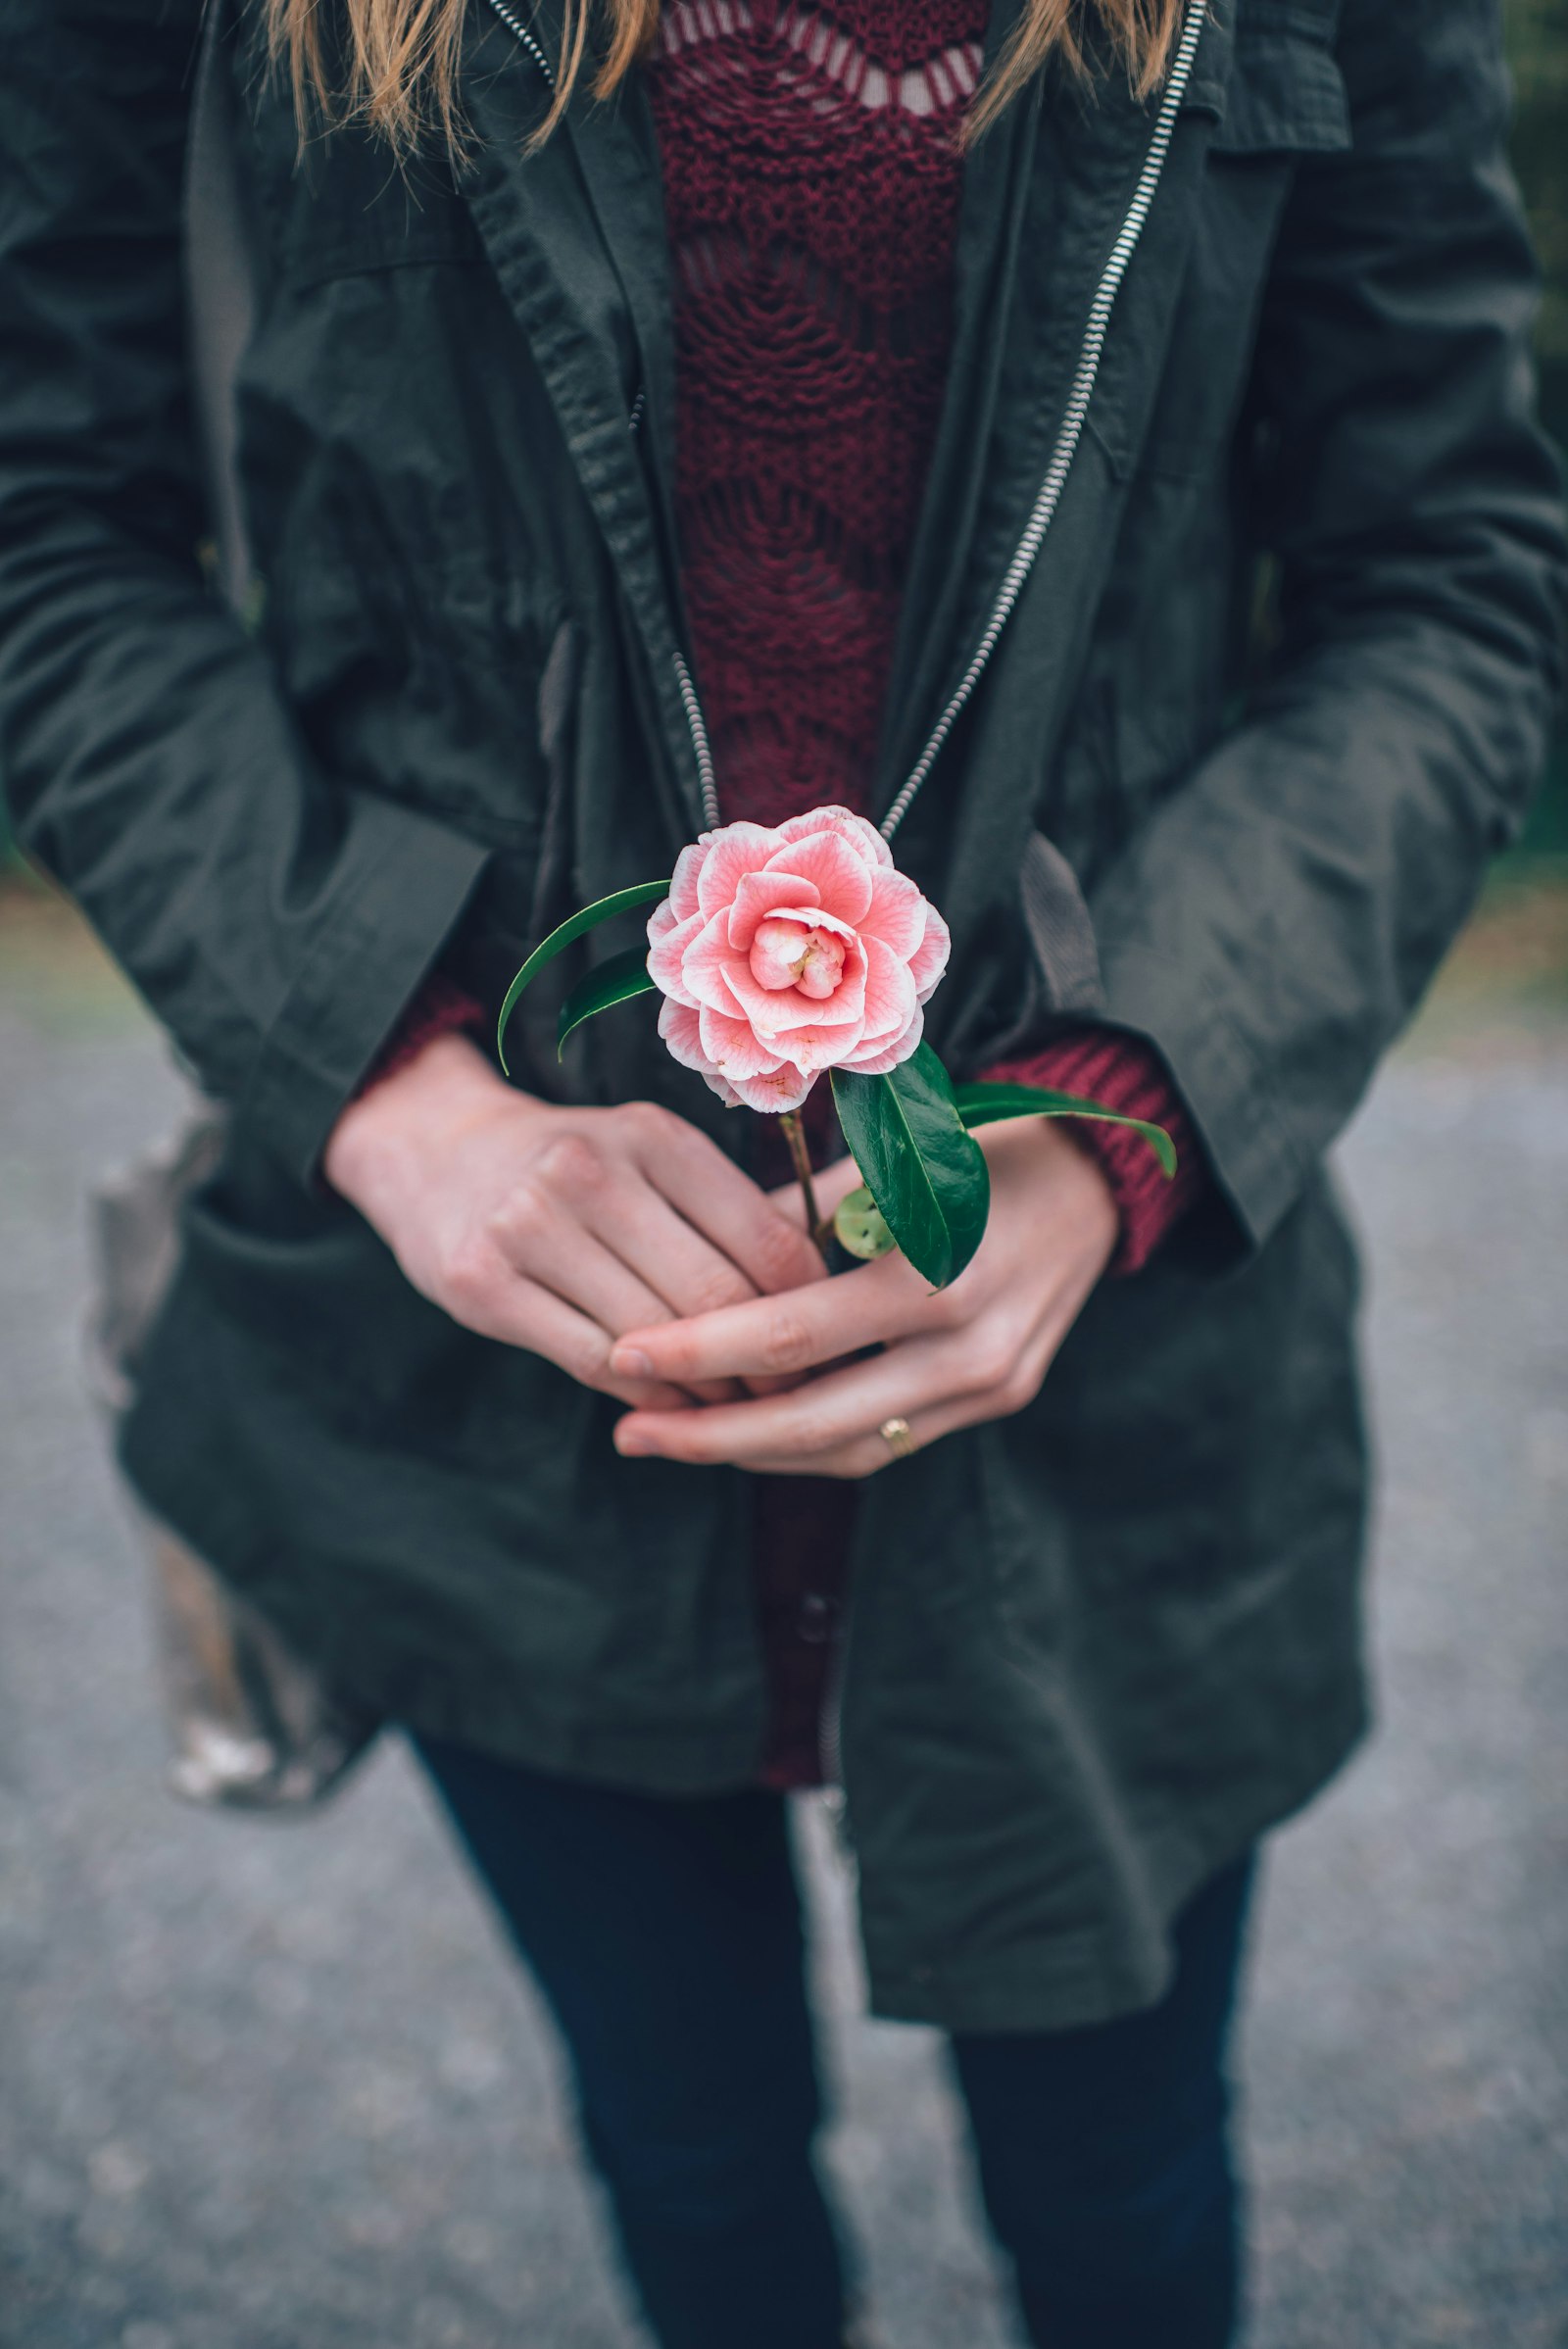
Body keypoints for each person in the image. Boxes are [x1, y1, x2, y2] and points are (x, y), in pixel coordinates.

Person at [0, 0, 1561, 2341]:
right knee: (688, 2155)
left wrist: (1110, 1125)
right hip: (483, 1387)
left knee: (1125, 2194)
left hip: (1107, 1376)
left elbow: (1442, 577)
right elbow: (53, 530)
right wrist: (388, 1086)